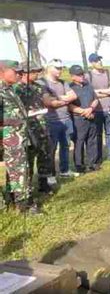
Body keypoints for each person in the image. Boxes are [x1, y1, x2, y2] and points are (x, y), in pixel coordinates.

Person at [0, 60, 39, 213]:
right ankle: (24, 205)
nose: (19, 74)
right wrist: (13, 121)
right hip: (9, 138)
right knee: (19, 169)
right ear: (3, 71)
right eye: (15, 71)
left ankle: (12, 198)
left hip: (16, 137)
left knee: (16, 170)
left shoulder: (9, 89)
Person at [15, 61, 57, 194]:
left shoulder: (39, 86)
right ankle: (26, 188)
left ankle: (44, 184)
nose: (36, 74)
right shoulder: (17, 88)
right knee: (28, 159)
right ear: (24, 72)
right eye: (33, 72)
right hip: (27, 130)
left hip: (42, 127)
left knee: (44, 155)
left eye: (37, 71)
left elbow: (47, 100)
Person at [42, 59, 78, 177]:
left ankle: (64, 170)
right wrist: (63, 100)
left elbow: (73, 96)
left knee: (65, 146)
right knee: (51, 149)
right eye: (57, 68)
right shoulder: (43, 83)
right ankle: (50, 174)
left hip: (66, 119)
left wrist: (58, 99)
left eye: (61, 68)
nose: (60, 70)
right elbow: (50, 103)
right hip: (51, 122)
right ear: (50, 68)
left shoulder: (63, 82)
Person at [86, 53, 110, 163]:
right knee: (98, 134)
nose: (99, 62)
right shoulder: (88, 76)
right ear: (91, 63)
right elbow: (90, 93)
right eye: (96, 60)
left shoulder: (108, 73)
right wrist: (107, 92)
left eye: (100, 59)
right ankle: (98, 157)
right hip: (97, 110)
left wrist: (100, 92)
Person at [68, 65, 99, 174]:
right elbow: (69, 105)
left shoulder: (88, 85)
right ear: (72, 76)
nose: (82, 76)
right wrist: (84, 112)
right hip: (78, 119)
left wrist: (91, 109)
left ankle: (93, 164)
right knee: (79, 142)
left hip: (91, 116)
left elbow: (96, 99)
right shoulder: (69, 88)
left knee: (92, 140)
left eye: (82, 73)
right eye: (79, 74)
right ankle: (79, 166)